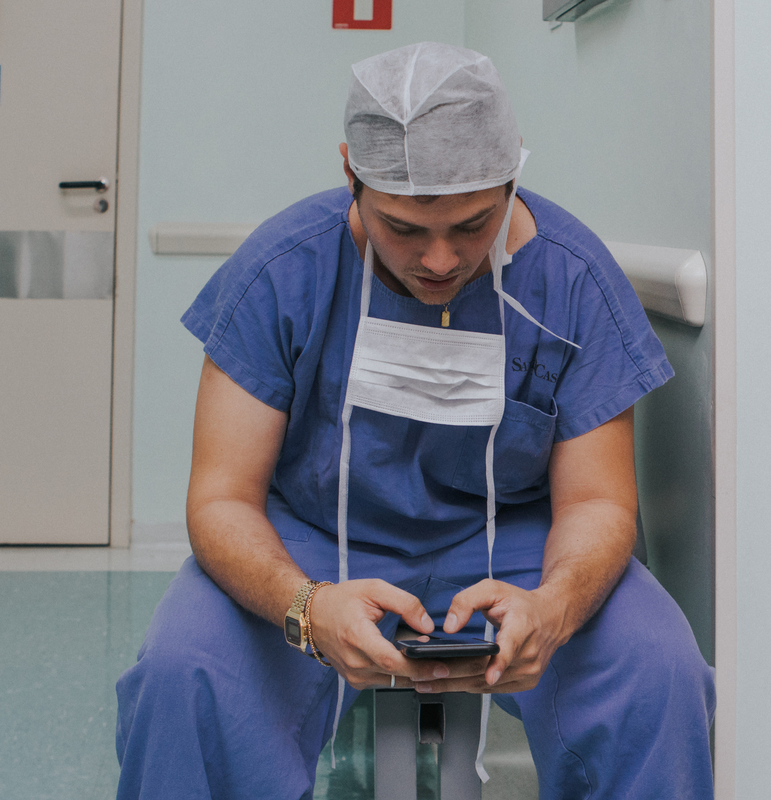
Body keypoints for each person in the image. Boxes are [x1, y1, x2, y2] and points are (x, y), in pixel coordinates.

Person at [114, 42, 715, 799]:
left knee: (657, 671)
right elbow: (221, 499)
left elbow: (597, 502)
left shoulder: (573, 280)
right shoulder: (281, 272)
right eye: (403, 229)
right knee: (183, 674)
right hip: (313, 540)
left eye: (472, 225)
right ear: (351, 177)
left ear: (513, 174)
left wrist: (554, 608)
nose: (439, 260)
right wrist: (306, 607)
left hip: (518, 549)